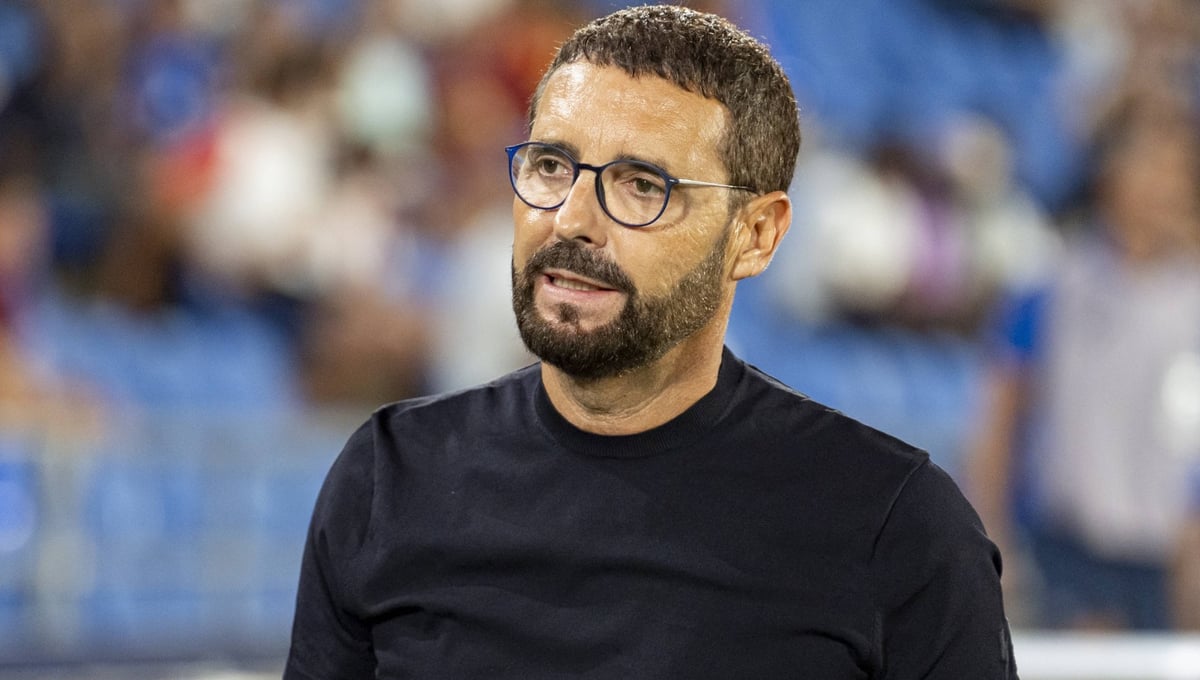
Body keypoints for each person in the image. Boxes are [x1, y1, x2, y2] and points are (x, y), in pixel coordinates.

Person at [285, 6, 1018, 678]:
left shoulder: (896, 525)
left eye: (641, 184)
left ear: (756, 235)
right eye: (550, 166)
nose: (572, 220)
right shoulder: (389, 478)